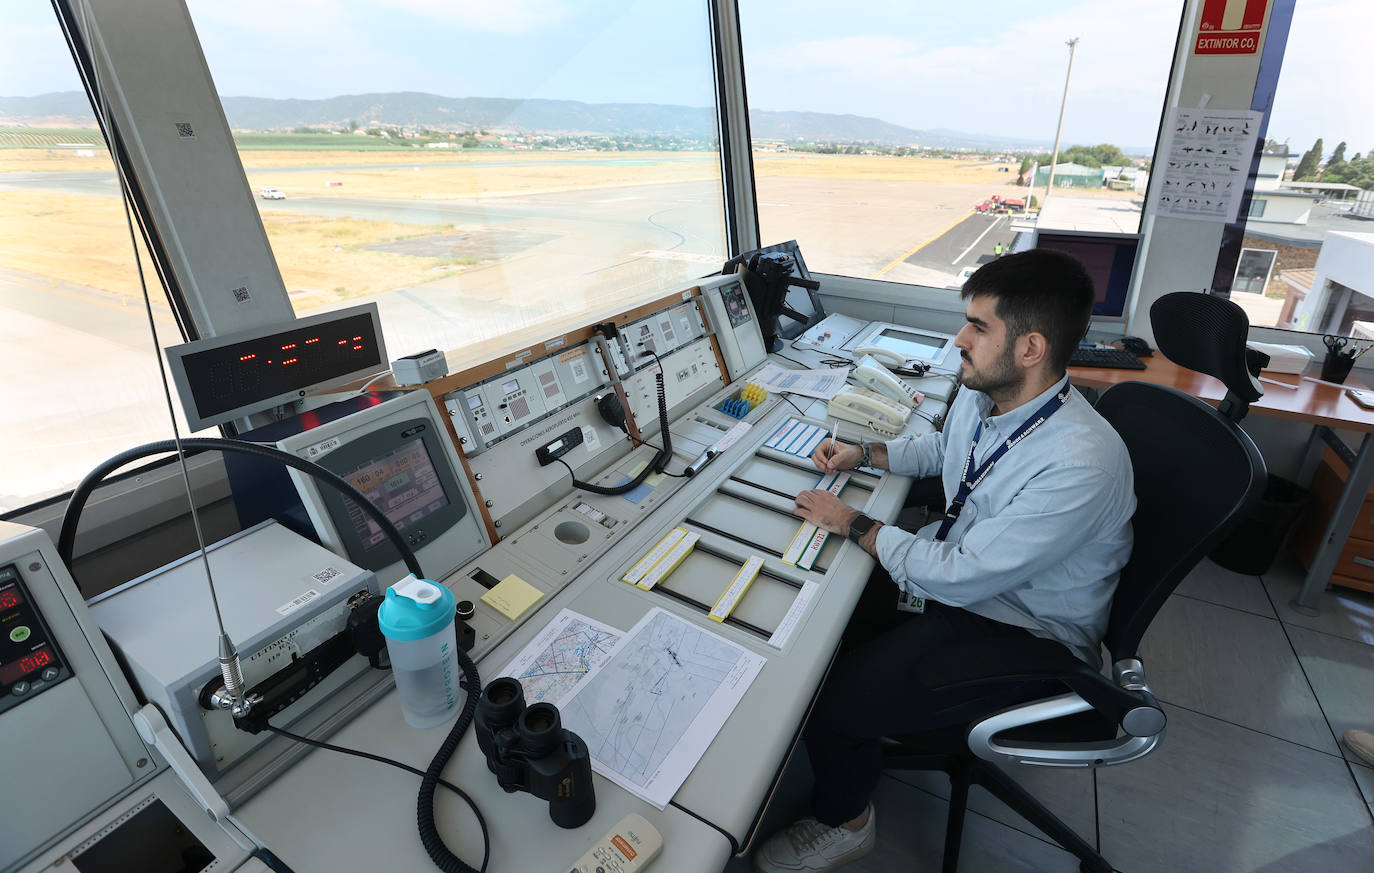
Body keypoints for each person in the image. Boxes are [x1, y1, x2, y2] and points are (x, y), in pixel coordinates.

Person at [752, 248, 1136, 873]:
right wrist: (866, 452)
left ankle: (845, 821)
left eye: (978, 327)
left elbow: (958, 576)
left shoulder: (1079, 464)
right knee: (817, 616)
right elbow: (941, 448)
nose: (959, 337)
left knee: (833, 700)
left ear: (1031, 348)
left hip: (1024, 629)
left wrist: (851, 521)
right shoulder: (987, 396)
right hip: (970, 578)